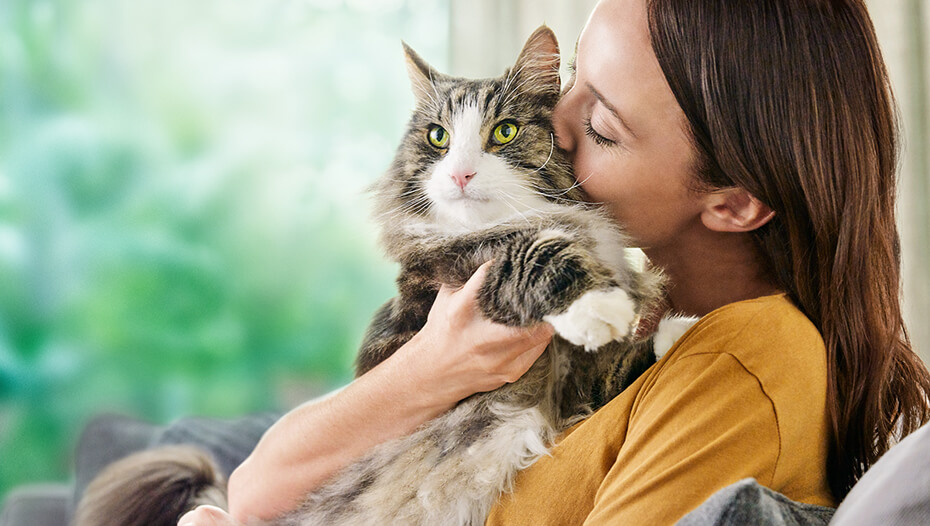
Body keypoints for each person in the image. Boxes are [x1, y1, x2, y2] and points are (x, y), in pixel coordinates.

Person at [179, 0, 930, 524]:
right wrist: (434, 364)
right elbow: (253, 490)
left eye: (600, 125)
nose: (549, 128)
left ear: (732, 203)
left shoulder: (746, 367)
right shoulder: (621, 303)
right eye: (568, 83)